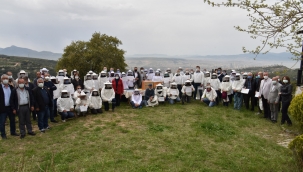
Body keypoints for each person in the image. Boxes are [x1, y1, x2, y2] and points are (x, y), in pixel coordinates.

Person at [0, 74, 19, 139]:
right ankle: (3, 134)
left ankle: (13, 132)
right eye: (4, 78)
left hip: (11, 107)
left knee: (12, 120)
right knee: (2, 122)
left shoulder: (11, 87)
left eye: (6, 79)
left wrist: (14, 108)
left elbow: (14, 98)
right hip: (2, 108)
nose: (5, 80)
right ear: (1, 80)